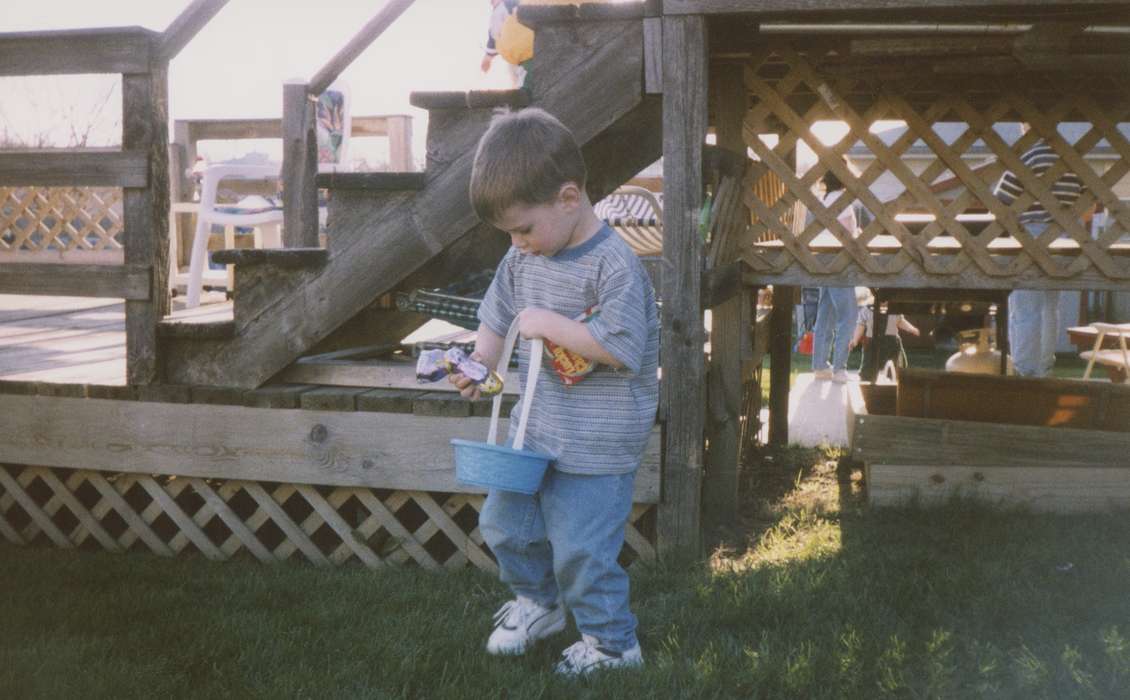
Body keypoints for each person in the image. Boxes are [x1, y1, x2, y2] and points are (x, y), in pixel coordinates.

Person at [450, 108, 659, 676]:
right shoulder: (522, 258)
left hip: (598, 438)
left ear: (569, 197)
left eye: (523, 228)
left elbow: (620, 347)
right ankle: (540, 605)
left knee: (582, 549)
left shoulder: (613, 265)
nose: (517, 244)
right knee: (505, 524)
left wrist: (548, 322)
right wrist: (479, 364)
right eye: (510, 234)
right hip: (536, 426)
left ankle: (613, 644)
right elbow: (496, 317)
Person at [994, 124, 1084, 377]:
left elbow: (1001, 197)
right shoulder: (1069, 159)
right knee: (1049, 306)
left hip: (1029, 233)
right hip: (1062, 236)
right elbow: (1086, 198)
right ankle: (1045, 366)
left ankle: (1024, 369)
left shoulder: (1029, 155)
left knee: (1024, 308)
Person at [811, 168, 860, 383]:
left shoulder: (826, 198)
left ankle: (820, 365)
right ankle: (840, 369)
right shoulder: (843, 200)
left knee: (826, 314)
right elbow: (849, 233)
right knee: (848, 316)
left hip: (823, 259)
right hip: (839, 262)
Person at [850, 287, 920, 372]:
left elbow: (900, 321)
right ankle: (867, 377)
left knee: (895, 367)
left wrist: (911, 329)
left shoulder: (894, 310)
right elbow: (860, 325)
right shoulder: (867, 310)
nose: (884, 301)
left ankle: (896, 378)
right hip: (872, 342)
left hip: (891, 343)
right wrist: (855, 340)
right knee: (869, 367)